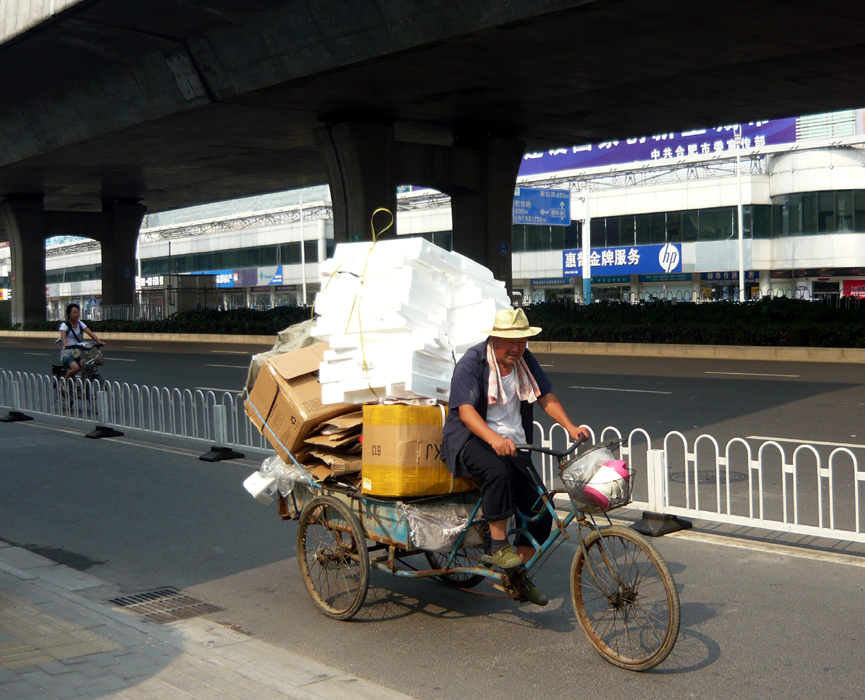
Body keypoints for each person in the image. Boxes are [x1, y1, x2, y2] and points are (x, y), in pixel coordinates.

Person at [441, 308, 589, 606]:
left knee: (542, 511)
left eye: (521, 341)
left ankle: (514, 577)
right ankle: (499, 546)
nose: (516, 348)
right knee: (498, 473)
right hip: (472, 440)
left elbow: (545, 396)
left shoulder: (524, 360)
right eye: (510, 341)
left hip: (515, 445)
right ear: (493, 338)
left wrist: (571, 427)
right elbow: (466, 412)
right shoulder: (473, 361)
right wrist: (494, 438)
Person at [59, 303, 104, 385]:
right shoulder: (65, 325)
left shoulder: (80, 324)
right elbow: (63, 337)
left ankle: (84, 385)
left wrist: (98, 341)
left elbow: (91, 333)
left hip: (78, 352)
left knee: (86, 365)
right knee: (76, 368)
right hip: (68, 353)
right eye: (74, 312)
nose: (76, 315)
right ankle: (63, 383)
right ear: (69, 314)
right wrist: (66, 345)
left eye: (77, 312)